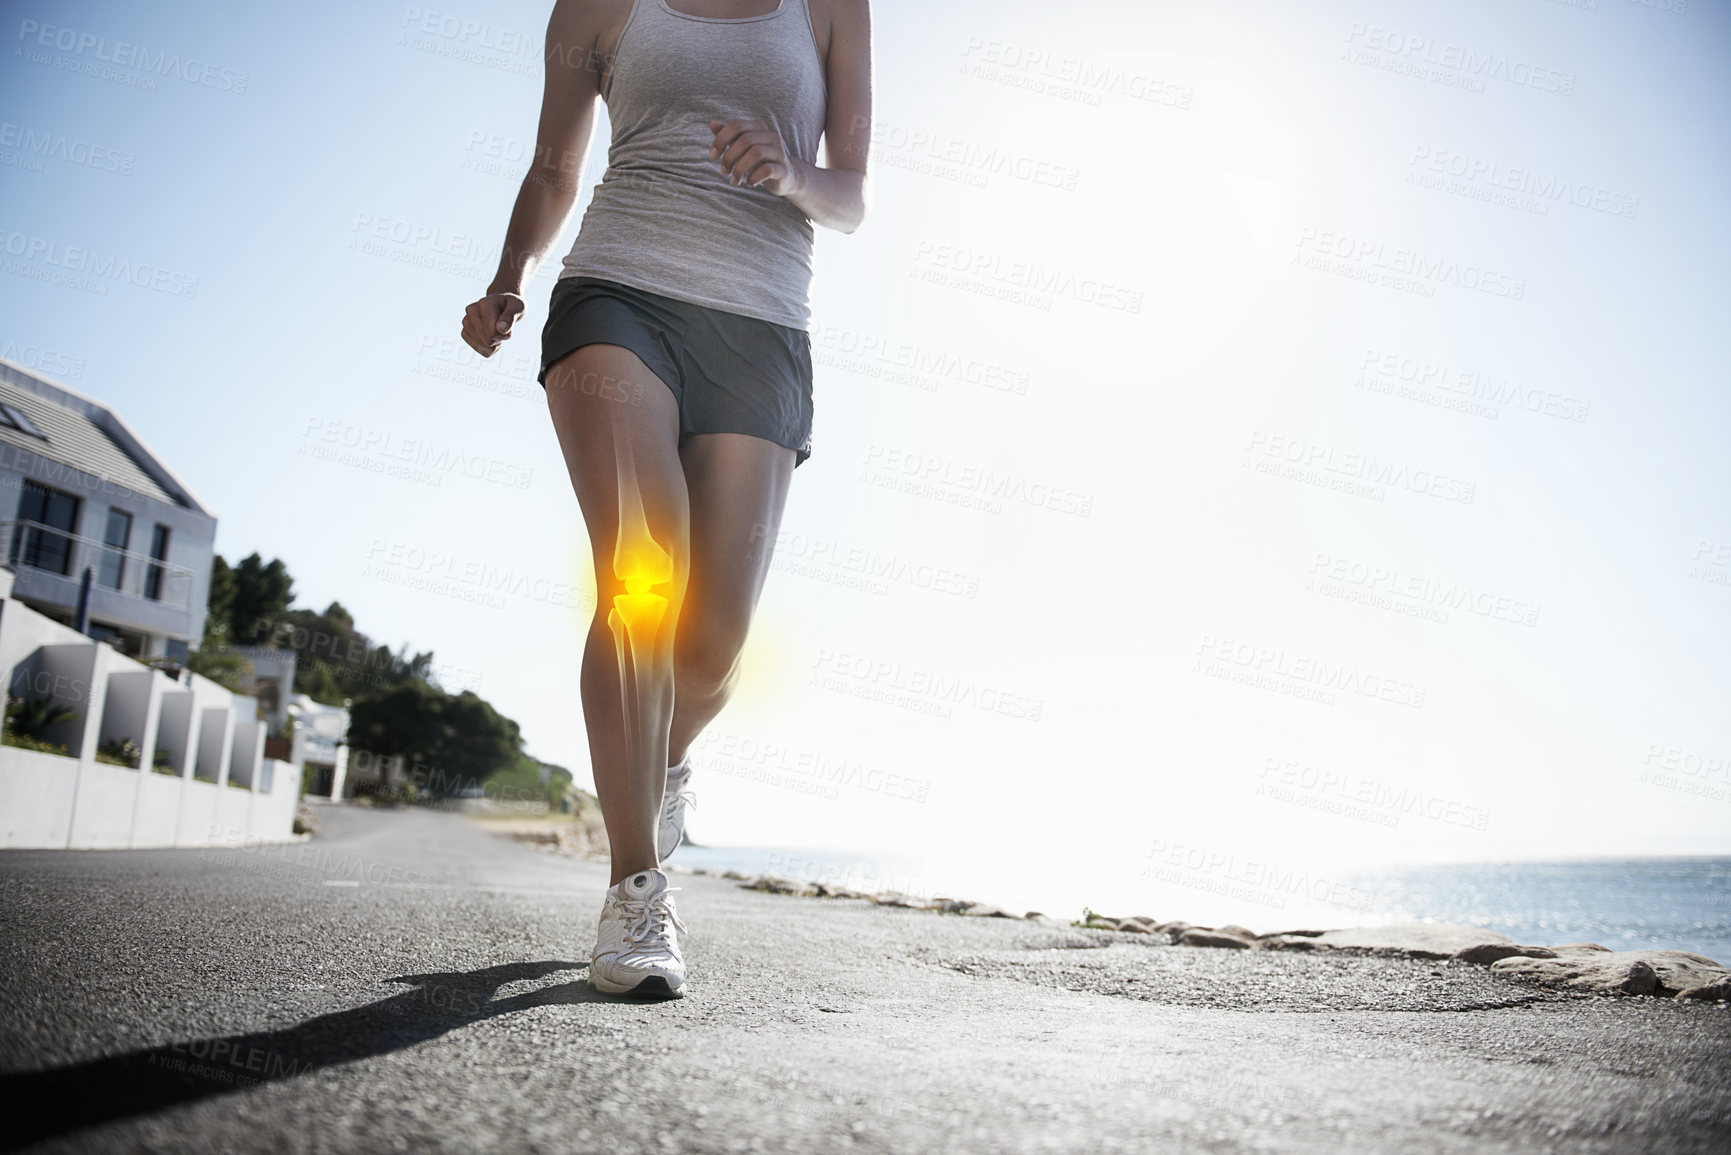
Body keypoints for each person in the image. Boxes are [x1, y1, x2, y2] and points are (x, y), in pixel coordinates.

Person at [459, 0, 872, 998]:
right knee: (642, 572)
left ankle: (668, 756)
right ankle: (635, 887)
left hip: (763, 325)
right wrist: (510, 274)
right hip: (620, 293)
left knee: (713, 647)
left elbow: (851, 194)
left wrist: (787, 172)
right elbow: (557, 165)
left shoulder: (833, 7)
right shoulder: (596, 6)